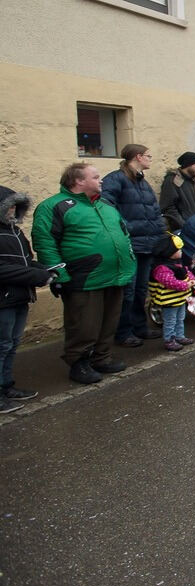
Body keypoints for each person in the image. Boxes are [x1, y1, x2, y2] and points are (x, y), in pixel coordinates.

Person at [32, 163, 137, 384]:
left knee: (109, 321)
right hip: (84, 276)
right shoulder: (54, 206)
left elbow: (124, 234)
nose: (101, 180)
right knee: (83, 324)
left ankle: (102, 357)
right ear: (79, 181)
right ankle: (79, 362)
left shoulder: (105, 205)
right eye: (96, 177)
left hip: (115, 274)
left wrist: (129, 261)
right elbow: (45, 242)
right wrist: (58, 274)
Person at [101, 144, 166, 347]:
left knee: (140, 290)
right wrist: (126, 228)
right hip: (129, 246)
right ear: (138, 157)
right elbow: (105, 206)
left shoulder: (142, 183)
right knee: (127, 293)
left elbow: (154, 212)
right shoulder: (116, 179)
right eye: (148, 155)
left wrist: (160, 234)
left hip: (147, 245)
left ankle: (140, 327)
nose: (150, 159)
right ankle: (123, 332)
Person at [0, 187, 54, 412]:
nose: (13, 210)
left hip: (19, 296)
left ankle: (6, 385)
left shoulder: (15, 232)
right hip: (3, 299)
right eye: (9, 206)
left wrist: (43, 269)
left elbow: (24, 261)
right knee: (2, 345)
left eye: (16, 206)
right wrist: (35, 275)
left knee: (11, 344)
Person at [148, 233, 195, 351]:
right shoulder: (162, 268)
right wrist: (186, 285)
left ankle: (179, 336)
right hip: (170, 301)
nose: (181, 251)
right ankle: (169, 339)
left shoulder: (177, 263)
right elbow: (170, 282)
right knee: (170, 321)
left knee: (180, 319)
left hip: (179, 299)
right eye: (178, 250)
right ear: (170, 252)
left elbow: (187, 272)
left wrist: (192, 279)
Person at [160, 151, 195, 231]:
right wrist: (184, 225)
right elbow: (168, 207)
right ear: (188, 165)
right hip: (183, 230)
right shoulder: (173, 181)